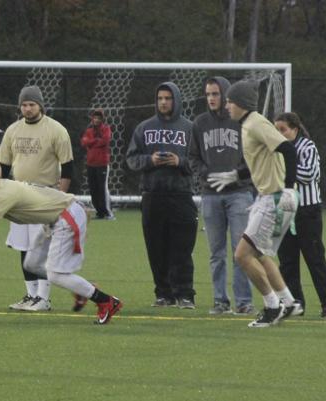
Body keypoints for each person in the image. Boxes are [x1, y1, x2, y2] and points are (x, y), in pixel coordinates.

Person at [0, 156, 123, 324]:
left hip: (67, 215)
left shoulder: (4, 192)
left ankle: (106, 301)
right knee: (31, 264)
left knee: (55, 275)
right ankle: (84, 288)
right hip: (55, 219)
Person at [218, 80, 303, 327]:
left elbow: (288, 150)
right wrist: (237, 176)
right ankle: (288, 303)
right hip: (272, 197)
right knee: (262, 255)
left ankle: (271, 306)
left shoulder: (256, 123)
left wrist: (287, 187)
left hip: (275, 198)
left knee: (243, 255)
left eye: (230, 101)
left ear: (241, 104)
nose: (227, 106)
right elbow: (264, 159)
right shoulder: (248, 124)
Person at [0, 85, 74, 311]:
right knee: (24, 246)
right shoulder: (12, 130)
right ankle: (31, 295)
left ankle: (44, 298)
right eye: (24, 104)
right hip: (19, 194)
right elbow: (2, 165)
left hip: (45, 194)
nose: (27, 109)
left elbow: (68, 167)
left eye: (32, 104)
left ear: (40, 105)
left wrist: (61, 197)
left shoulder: (56, 130)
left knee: (42, 248)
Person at [126, 82, 198, 309]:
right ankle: (163, 293)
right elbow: (131, 158)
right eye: (160, 98)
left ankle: (185, 294)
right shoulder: (144, 128)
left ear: (176, 100)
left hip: (181, 194)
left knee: (182, 248)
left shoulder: (190, 128)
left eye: (168, 98)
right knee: (156, 248)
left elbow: (199, 162)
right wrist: (150, 160)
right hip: (152, 195)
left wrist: (180, 162)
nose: (164, 102)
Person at [189, 77, 256, 316]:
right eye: (208, 94)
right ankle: (220, 300)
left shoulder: (240, 121)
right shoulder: (200, 123)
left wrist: (237, 174)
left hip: (239, 193)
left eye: (215, 93)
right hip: (210, 195)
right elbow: (193, 157)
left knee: (241, 250)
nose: (211, 98)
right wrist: (205, 174)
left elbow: (253, 154)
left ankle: (244, 301)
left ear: (226, 95)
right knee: (216, 253)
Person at [274, 112, 326, 318]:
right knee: (287, 261)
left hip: (307, 211)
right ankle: (296, 304)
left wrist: (282, 168)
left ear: (295, 128)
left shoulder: (307, 147)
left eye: (283, 129)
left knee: (315, 259)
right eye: (277, 130)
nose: (280, 134)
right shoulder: (277, 151)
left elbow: (309, 174)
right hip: (284, 209)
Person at [80, 108, 115, 220]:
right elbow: (84, 142)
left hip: (102, 164)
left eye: (99, 118)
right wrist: (96, 141)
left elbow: (105, 141)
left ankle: (108, 213)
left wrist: (91, 142)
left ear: (102, 119)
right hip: (91, 164)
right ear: (92, 119)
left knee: (102, 188)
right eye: (95, 118)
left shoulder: (106, 129)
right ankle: (99, 212)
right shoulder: (89, 131)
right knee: (93, 189)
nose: (96, 120)